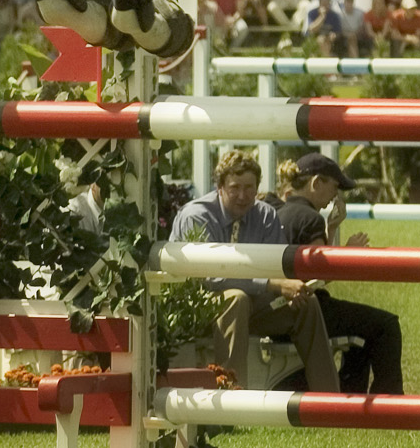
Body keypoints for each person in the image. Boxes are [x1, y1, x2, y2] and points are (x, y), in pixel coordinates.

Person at [166, 149, 339, 391]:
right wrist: (273, 284)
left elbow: (277, 266)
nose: (242, 195)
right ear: (220, 187)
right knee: (236, 298)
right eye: (235, 188)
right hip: (196, 307)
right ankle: (232, 394)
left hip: (253, 305)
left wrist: (292, 285)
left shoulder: (265, 215)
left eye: (249, 188)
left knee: (306, 303)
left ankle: (328, 398)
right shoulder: (197, 216)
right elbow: (210, 278)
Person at [275, 152, 403, 394]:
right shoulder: (310, 219)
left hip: (279, 310)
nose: (335, 196)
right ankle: (388, 400)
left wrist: (331, 228)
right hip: (307, 308)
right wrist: (348, 253)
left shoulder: (278, 213)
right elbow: (318, 276)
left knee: (360, 332)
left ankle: (350, 395)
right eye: (334, 187)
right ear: (316, 183)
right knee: (386, 325)